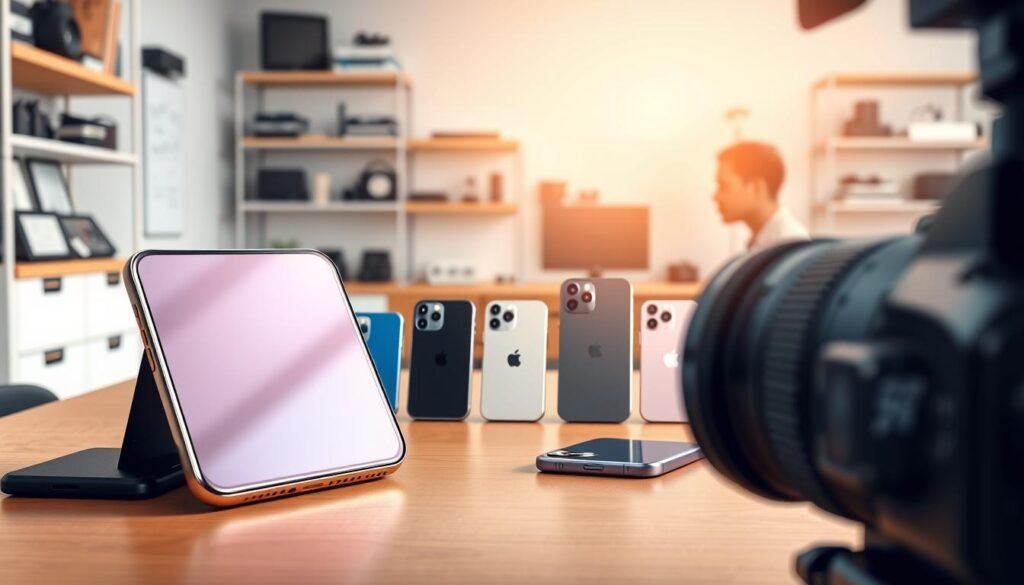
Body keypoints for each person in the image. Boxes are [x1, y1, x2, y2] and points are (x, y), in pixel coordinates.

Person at [713, 141, 809, 251]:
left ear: (757, 188)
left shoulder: (789, 244)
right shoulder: (760, 240)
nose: (715, 197)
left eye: (724, 186)